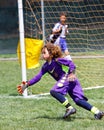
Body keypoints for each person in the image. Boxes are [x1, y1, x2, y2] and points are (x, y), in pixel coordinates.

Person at [17, 43, 104, 120]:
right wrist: (27, 84)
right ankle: (97, 112)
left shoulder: (57, 60)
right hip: (69, 82)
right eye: (42, 53)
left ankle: (69, 108)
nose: (42, 55)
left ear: (51, 54)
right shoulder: (45, 66)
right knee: (78, 101)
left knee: (54, 91)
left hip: (68, 78)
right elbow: (38, 77)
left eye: (44, 53)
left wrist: (72, 73)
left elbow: (71, 64)